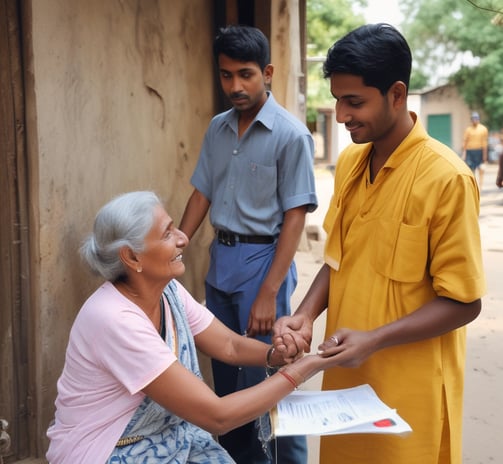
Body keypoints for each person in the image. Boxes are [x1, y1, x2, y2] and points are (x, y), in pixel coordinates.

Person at [273, 24, 485, 464]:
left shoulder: (446, 179)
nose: (342, 115)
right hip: (345, 387)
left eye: (355, 102)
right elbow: (338, 259)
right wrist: (306, 315)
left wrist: (375, 339)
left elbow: (465, 302)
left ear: (397, 94)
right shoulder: (351, 159)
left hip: (410, 398)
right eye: (337, 101)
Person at [45, 191, 334, 464]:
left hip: (167, 438)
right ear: (132, 257)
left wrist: (275, 355)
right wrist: (301, 370)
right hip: (108, 450)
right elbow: (217, 416)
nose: (183, 238)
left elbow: (229, 346)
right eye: (168, 233)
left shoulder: (168, 290)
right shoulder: (114, 319)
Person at [179, 25, 317, 463]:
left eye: (246, 74)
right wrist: (177, 245)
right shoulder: (218, 129)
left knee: (270, 381)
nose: (235, 86)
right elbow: (202, 192)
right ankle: (237, 459)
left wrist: (269, 292)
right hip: (221, 261)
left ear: (268, 73)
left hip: (264, 262)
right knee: (226, 373)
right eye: (225, 75)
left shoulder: (291, 135)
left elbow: (296, 217)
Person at [462, 111, 488, 188]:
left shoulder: (483, 129)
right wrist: (464, 154)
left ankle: (480, 187)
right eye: (473, 118)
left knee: (481, 170)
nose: (475, 120)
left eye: (476, 118)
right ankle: (474, 187)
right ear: (471, 120)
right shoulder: (468, 130)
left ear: (479, 119)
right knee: (471, 171)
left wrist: (485, 157)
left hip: (479, 151)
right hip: (470, 152)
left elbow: (485, 144)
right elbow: (465, 142)